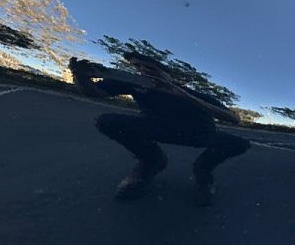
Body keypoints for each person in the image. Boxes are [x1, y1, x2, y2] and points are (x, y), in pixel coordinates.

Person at [70, 53, 250, 207]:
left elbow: (234, 119)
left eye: (151, 68)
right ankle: (152, 161)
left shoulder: (192, 92)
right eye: (138, 67)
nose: (143, 70)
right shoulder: (135, 84)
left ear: (167, 73)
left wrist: (183, 95)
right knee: (107, 121)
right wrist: (80, 76)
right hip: (156, 128)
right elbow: (94, 93)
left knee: (239, 143)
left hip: (197, 134)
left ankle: (203, 170)